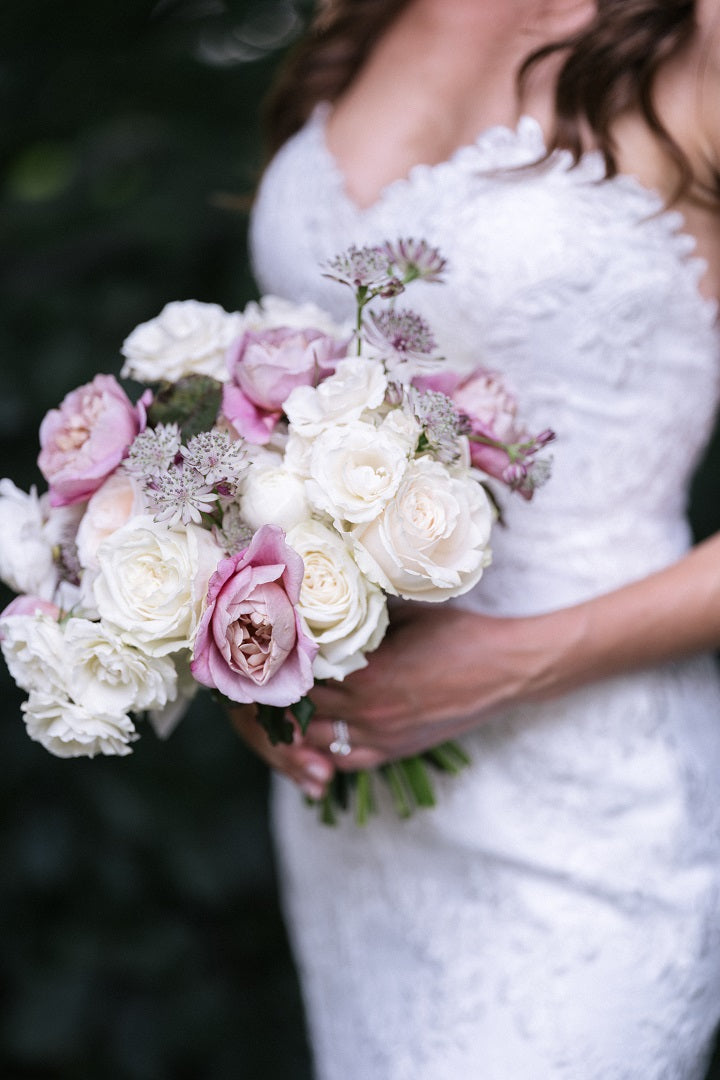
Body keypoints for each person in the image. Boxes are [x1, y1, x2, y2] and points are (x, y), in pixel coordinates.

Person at [233, 1, 720, 1076]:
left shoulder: (699, 39)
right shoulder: (358, 18)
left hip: (594, 794)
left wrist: (511, 662)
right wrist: (243, 656)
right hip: (361, 811)